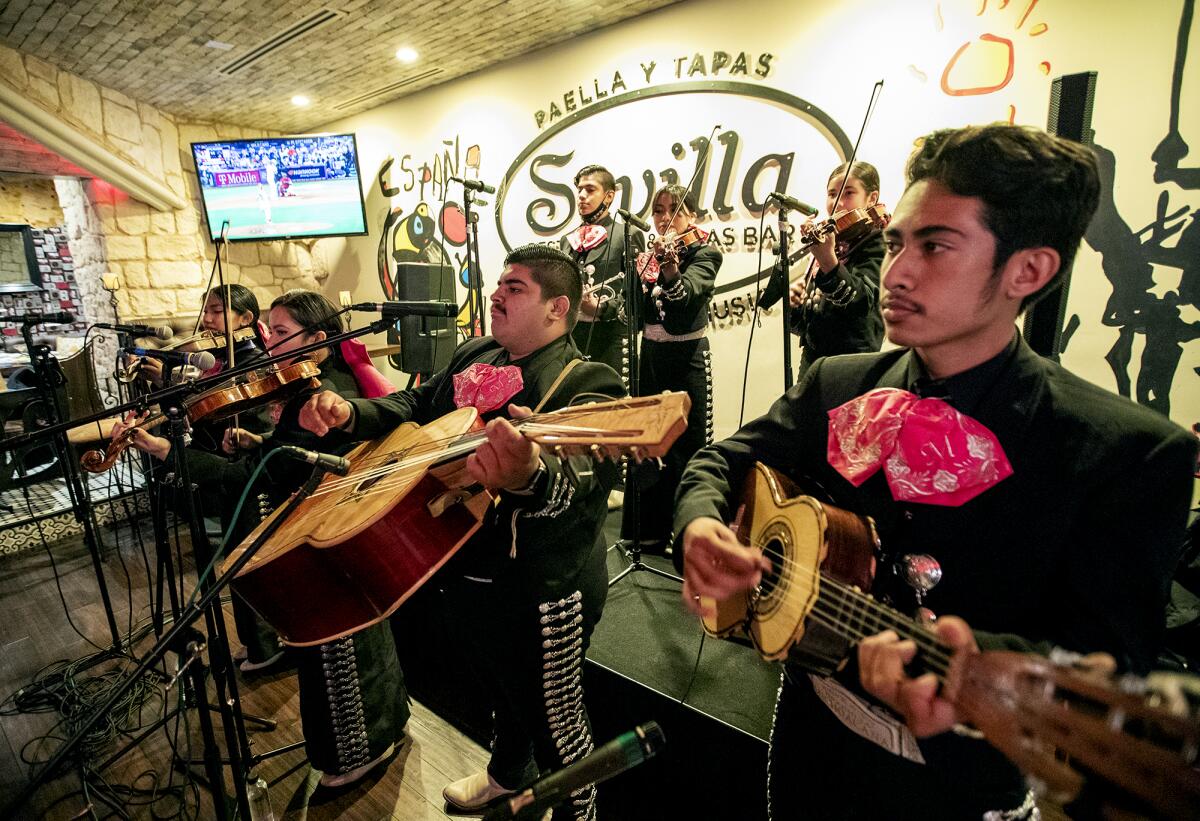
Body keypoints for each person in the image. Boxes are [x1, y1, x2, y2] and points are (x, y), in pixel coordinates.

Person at [675, 124, 1197, 819]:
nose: (896, 271)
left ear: (1028, 270)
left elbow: (1109, 661)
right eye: (896, 242)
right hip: (812, 736)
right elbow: (720, 459)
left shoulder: (1125, 451)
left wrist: (975, 659)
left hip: (962, 785)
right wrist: (701, 525)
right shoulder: (838, 381)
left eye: (935, 245)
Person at [298, 244, 625, 820]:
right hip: (466, 564)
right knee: (503, 690)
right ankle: (505, 778)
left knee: (557, 718)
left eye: (516, 287)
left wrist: (528, 474)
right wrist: (353, 414)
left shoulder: (589, 379)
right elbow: (417, 403)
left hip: (546, 585)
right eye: (500, 282)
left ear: (558, 308)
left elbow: (586, 479)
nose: (497, 293)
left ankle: (579, 812)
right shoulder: (476, 350)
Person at [114, 289, 410, 786]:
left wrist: (170, 451)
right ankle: (380, 733)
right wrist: (259, 440)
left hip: (323, 530)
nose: (267, 341)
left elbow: (257, 476)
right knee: (343, 638)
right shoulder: (309, 386)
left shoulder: (322, 395)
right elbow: (286, 455)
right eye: (268, 330)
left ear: (317, 340)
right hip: (318, 524)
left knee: (340, 644)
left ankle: (366, 748)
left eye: (279, 332)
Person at [625, 184, 721, 552]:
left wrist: (668, 270)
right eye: (659, 210)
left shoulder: (705, 252)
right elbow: (632, 313)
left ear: (691, 216)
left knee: (687, 447)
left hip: (687, 360)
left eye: (674, 211)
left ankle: (685, 538)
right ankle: (645, 535)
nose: (665, 218)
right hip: (648, 357)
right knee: (645, 443)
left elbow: (686, 297)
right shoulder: (647, 256)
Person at [787, 161, 886, 375]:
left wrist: (829, 263)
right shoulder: (830, 239)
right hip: (813, 361)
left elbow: (862, 302)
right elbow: (812, 323)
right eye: (832, 194)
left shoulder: (878, 241)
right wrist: (796, 307)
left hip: (853, 364)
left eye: (848, 193)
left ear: (872, 198)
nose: (838, 203)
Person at [558, 164, 645, 378]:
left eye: (590, 189)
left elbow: (635, 292)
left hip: (611, 338)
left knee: (614, 406)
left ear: (609, 196)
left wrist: (602, 307)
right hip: (573, 336)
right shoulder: (567, 240)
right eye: (579, 190)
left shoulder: (627, 234)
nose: (581, 196)